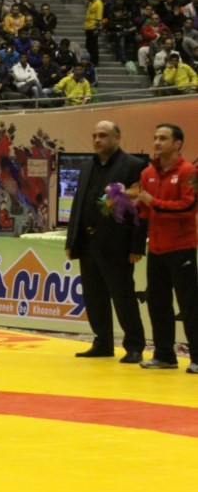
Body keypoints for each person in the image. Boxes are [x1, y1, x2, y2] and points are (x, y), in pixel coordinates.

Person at [65, 121, 147, 362]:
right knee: (94, 297)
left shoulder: (133, 165)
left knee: (123, 297)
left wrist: (136, 246)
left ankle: (134, 346)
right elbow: (78, 204)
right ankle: (102, 342)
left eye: (103, 135)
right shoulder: (87, 166)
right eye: (94, 135)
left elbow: (140, 211)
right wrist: (71, 240)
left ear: (117, 138)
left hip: (117, 244)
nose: (97, 140)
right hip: (88, 243)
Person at [134, 124, 198, 373]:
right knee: (157, 303)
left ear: (177, 144)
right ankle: (164, 355)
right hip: (157, 248)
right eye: (155, 138)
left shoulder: (189, 171)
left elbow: (188, 207)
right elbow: (146, 211)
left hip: (182, 247)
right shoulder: (147, 173)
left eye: (163, 138)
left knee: (189, 304)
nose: (157, 142)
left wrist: (154, 202)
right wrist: (129, 202)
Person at [84, 0, 103, 65]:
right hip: (88, 27)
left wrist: (97, 29)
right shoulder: (91, 2)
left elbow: (99, 18)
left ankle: (95, 61)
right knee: (88, 45)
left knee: (93, 46)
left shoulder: (99, 3)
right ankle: (91, 60)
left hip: (93, 27)